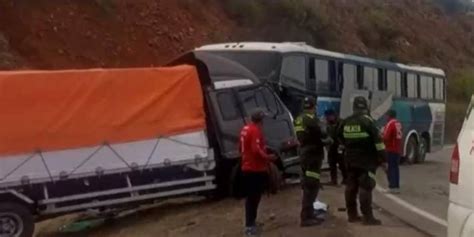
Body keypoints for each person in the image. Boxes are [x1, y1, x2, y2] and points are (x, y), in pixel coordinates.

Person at [337, 96, 387, 225]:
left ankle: (352, 215)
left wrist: (348, 145)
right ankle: (368, 217)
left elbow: (338, 136)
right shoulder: (368, 122)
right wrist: (383, 159)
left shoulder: (346, 121)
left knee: (351, 187)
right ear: (365, 107)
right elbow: (378, 143)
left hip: (349, 160)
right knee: (365, 187)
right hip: (366, 161)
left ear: (354, 107)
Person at [294, 97, 333, 227]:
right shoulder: (311, 119)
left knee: (308, 184)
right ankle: (306, 217)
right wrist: (327, 140)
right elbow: (320, 134)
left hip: (304, 153)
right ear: (313, 106)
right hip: (312, 156)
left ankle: (309, 213)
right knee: (311, 186)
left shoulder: (298, 118)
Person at [239, 108, 275, 236]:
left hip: (247, 166)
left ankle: (252, 222)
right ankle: (249, 226)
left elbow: (243, 148)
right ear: (261, 120)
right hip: (254, 169)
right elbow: (256, 150)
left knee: (253, 197)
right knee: (253, 198)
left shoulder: (245, 128)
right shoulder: (255, 130)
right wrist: (268, 157)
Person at [324, 109, 347, 186]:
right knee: (331, 163)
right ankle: (334, 180)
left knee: (342, 163)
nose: (327, 118)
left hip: (340, 145)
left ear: (333, 115)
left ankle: (346, 179)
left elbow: (346, 134)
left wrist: (343, 144)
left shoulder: (342, 123)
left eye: (328, 116)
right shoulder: (328, 123)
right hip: (332, 145)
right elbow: (327, 133)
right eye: (326, 117)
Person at [383, 110, 403, 194]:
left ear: (389, 116)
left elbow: (386, 137)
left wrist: (380, 135)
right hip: (397, 149)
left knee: (390, 168)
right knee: (396, 168)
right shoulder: (398, 123)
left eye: (386, 115)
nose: (385, 117)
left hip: (391, 148)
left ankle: (392, 186)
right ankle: (396, 186)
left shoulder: (390, 124)